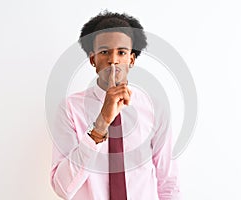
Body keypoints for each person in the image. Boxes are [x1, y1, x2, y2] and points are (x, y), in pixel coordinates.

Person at [50, 11, 180, 200]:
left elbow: (168, 182)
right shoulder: (70, 109)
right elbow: (63, 188)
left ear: (132, 60)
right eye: (104, 52)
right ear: (93, 59)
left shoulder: (154, 108)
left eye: (121, 52)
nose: (113, 60)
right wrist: (101, 124)